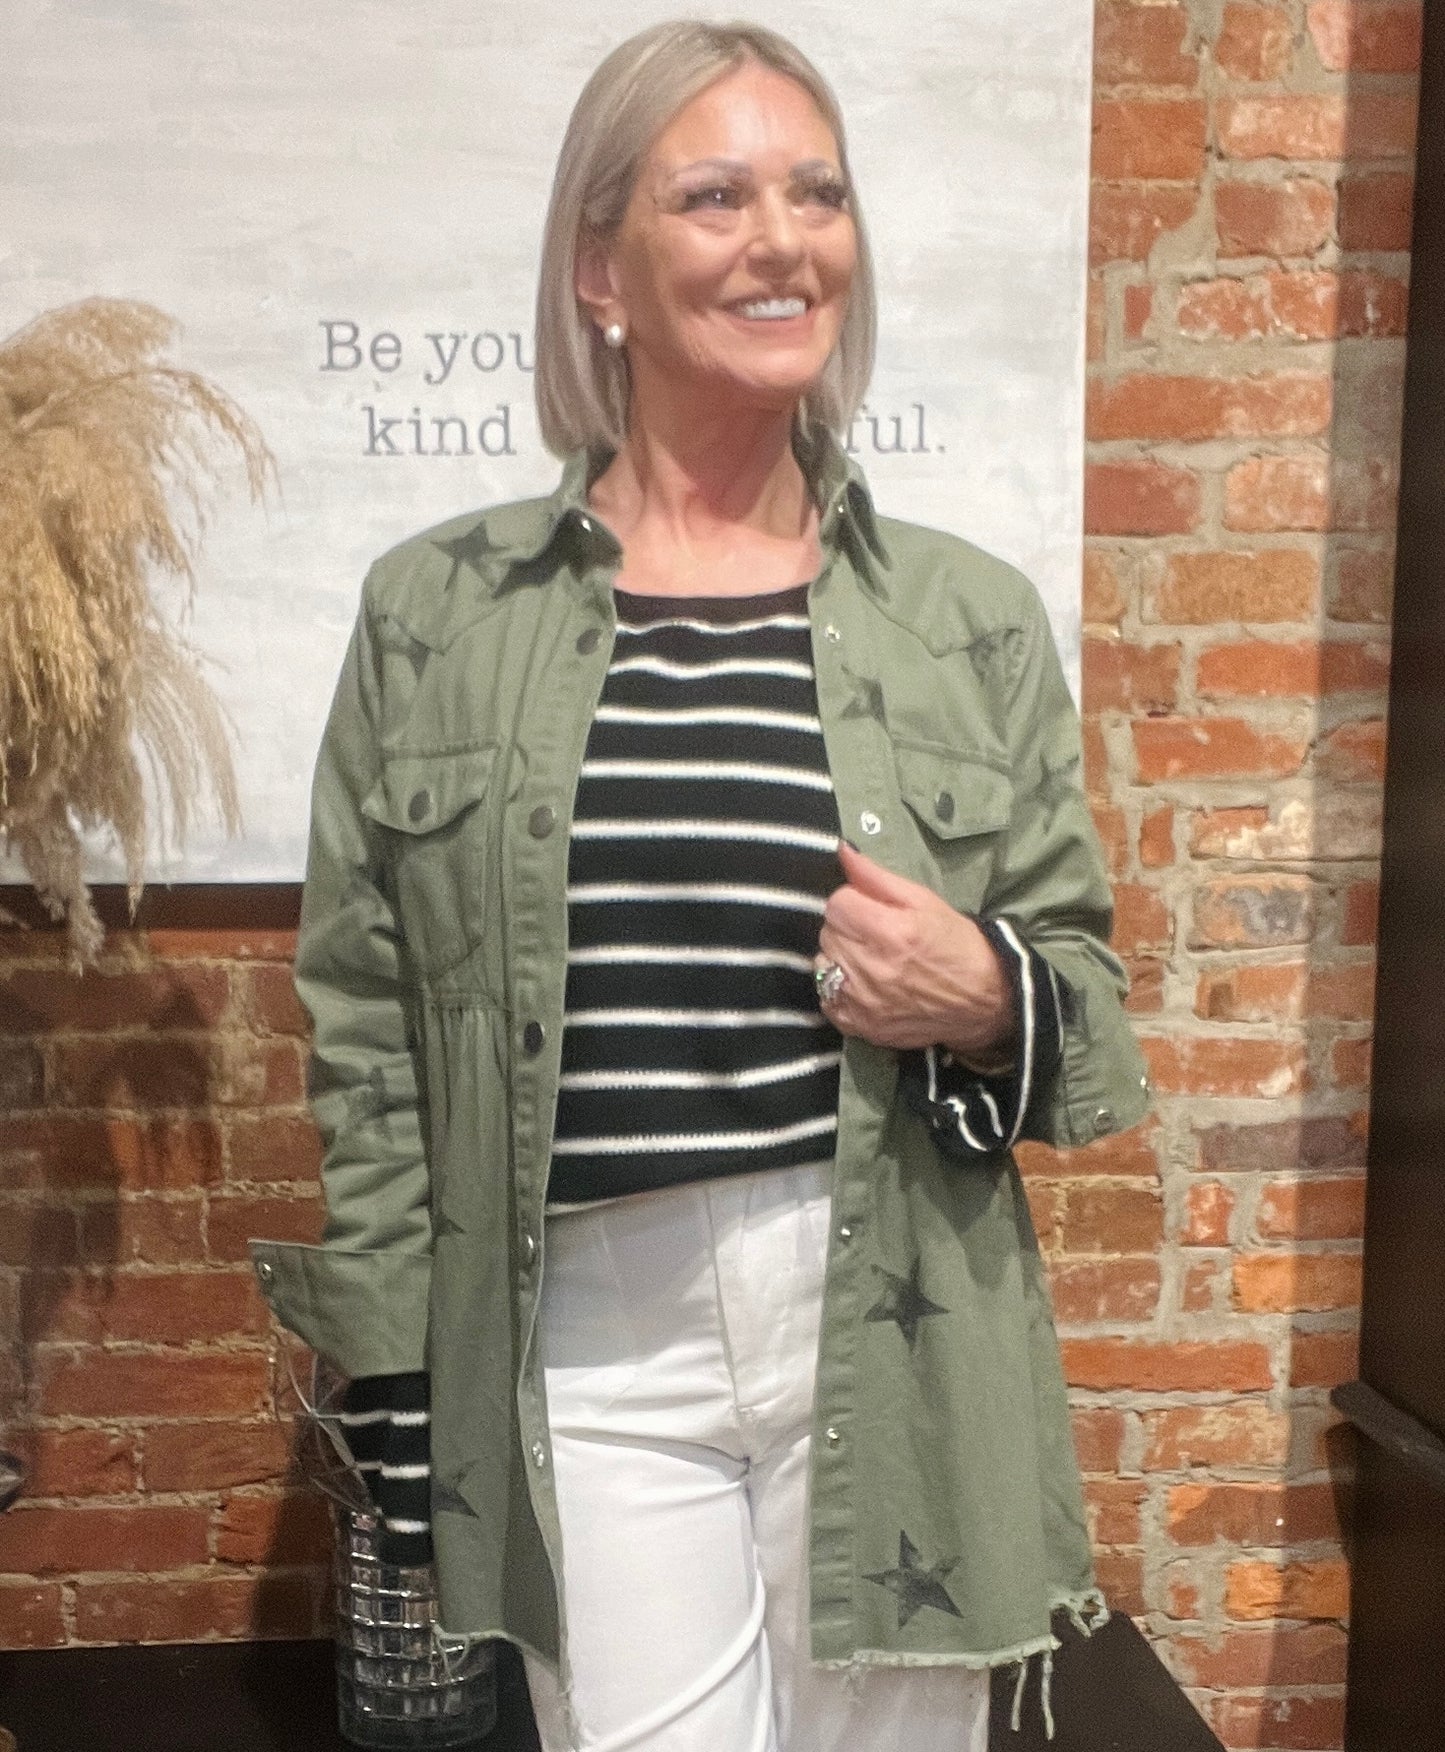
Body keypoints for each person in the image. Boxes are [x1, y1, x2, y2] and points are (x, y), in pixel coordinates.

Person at [251, 19, 1150, 1752]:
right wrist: (393, 1367)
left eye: (815, 193)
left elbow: (1087, 1018)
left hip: (881, 1303)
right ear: (603, 266)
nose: (781, 238)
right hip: (581, 1333)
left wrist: (985, 990)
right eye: (715, 194)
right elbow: (362, 1026)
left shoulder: (961, 616)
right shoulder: (438, 612)